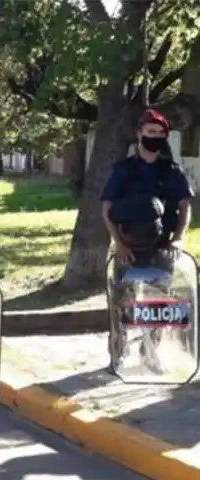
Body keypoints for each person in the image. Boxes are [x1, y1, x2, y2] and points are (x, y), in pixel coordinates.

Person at [101, 109, 194, 372]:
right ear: (139, 134)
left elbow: (185, 208)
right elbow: (106, 210)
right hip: (127, 247)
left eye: (159, 133)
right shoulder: (123, 171)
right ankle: (118, 355)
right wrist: (118, 243)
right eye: (150, 132)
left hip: (162, 247)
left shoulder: (172, 171)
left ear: (165, 136)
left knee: (159, 305)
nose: (154, 137)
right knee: (122, 304)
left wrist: (177, 239)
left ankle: (150, 354)